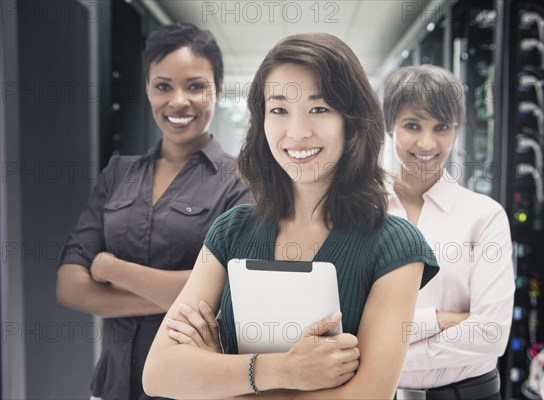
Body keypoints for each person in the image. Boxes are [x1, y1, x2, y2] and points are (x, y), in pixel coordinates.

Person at [142, 32, 440, 399]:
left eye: (319, 109)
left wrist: (218, 375)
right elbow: (159, 373)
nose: (297, 132)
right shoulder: (231, 231)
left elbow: (365, 396)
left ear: (352, 121)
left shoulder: (395, 245)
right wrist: (284, 370)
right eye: (279, 110)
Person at [56, 22, 252, 400]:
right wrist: (182, 299)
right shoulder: (118, 174)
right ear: (147, 89)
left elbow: (230, 296)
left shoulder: (241, 182)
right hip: (111, 387)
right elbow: (70, 286)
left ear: (218, 90)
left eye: (195, 86)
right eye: (163, 86)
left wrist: (113, 270)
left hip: (191, 390)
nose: (178, 101)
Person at [383, 65, 515, 400]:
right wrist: (442, 320)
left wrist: (383, 357)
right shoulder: (361, 215)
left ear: (455, 130)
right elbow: (347, 322)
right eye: (412, 125)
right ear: (389, 126)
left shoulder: (484, 217)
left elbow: (490, 335)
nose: (427, 143)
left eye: (441, 127)